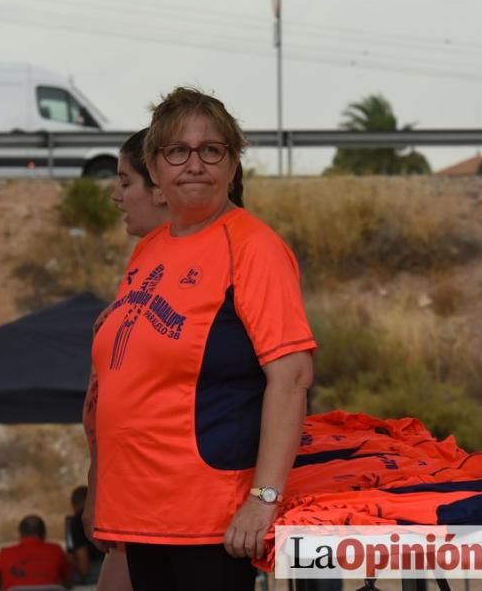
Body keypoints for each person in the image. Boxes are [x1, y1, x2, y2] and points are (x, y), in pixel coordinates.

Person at [90, 88, 316, 591]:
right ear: (156, 166)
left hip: (207, 515)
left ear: (233, 164)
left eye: (211, 150)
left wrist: (264, 498)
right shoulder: (149, 249)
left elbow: (292, 375)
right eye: (177, 151)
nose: (195, 164)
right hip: (141, 512)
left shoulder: (254, 247)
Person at [0, 515, 73, 591]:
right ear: (43, 534)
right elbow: (69, 583)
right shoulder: (56, 551)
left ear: (20, 534)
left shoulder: (5, 554)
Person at [66, 486, 105, 586]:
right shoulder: (105, 515)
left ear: (74, 505)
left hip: (96, 574)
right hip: (113, 570)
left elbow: (84, 565)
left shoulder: (78, 520)